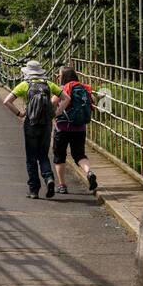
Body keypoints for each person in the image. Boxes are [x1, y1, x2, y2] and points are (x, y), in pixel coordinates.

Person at [1, 60, 63, 198]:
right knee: (43, 155)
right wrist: (55, 113)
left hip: (31, 124)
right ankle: (49, 179)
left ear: (27, 73)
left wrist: (19, 113)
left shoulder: (24, 85)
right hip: (46, 124)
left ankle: (34, 190)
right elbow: (66, 98)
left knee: (31, 158)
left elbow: (6, 101)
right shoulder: (49, 84)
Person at [51, 65, 98, 194]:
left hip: (62, 128)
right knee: (79, 155)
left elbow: (52, 104)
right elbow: (92, 102)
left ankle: (62, 185)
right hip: (80, 128)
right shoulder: (83, 88)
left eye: (59, 75)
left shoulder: (62, 88)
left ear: (63, 76)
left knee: (59, 156)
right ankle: (89, 172)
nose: (57, 77)